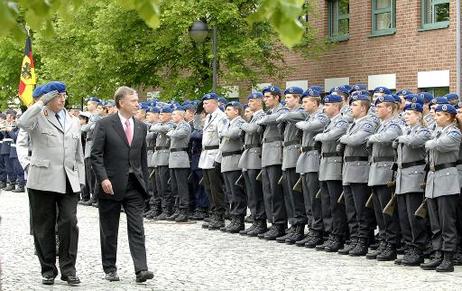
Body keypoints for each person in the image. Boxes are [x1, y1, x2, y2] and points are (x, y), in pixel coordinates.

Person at [17, 81, 84, 286]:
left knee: (69, 223)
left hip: (68, 180)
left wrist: (80, 180)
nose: (62, 99)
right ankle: (48, 269)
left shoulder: (73, 121)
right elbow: (22, 123)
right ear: (47, 98)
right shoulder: (37, 116)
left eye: (64, 95)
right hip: (42, 180)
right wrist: (40, 103)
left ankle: (68, 269)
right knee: (43, 226)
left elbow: (78, 154)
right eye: (57, 96)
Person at [91, 86, 154, 283]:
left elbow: (142, 159)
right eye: (134, 101)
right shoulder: (104, 124)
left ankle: (141, 269)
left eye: (137, 100)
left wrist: (146, 184)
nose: (138, 104)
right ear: (121, 103)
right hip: (110, 184)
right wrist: (103, 179)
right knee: (109, 229)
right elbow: (96, 155)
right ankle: (110, 267)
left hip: (134, 185)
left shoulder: (141, 127)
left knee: (137, 227)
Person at [420, 104, 461, 272]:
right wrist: (431, 141)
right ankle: (438, 254)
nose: (435, 117)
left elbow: (438, 144)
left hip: (446, 179)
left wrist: (430, 142)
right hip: (433, 178)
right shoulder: (437, 131)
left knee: (447, 222)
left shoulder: (454, 132)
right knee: (435, 223)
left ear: (449, 117)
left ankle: (448, 257)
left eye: (439, 115)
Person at [393, 102, 430, 266]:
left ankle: (418, 248)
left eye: (409, 114)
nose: (405, 117)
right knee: (404, 216)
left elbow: (415, 142)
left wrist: (401, 137)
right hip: (402, 176)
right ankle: (409, 246)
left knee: (414, 216)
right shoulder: (406, 131)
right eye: (405, 114)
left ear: (419, 115)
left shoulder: (423, 131)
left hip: (415, 175)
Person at [257, 86, 289, 240]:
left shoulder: (282, 110)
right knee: (268, 191)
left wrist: (260, 119)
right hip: (267, 154)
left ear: (277, 97)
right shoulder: (268, 112)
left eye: (268, 97)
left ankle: (280, 224)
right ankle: (273, 222)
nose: (265, 100)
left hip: (276, 154)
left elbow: (270, 120)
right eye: (264, 97)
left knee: (276, 192)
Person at [238, 92, 267, 236]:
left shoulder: (260, 116)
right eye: (249, 100)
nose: (250, 103)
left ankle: (260, 221)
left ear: (259, 102)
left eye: (253, 101)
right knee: (251, 192)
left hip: (255, 154)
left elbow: (253, 129)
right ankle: (256, 219)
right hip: (248, 154)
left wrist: (241, 123)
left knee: (256, 191)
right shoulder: (252, 117)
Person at [199, 93, 227, 230]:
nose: (204, 106)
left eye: (207, 103)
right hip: (206, 155)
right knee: (208, 187)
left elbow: (223, 138)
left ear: (215, 103)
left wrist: (219, 157)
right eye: (203, 104)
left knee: (216, 189)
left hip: (214, 154)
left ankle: (219, 216)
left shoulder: (220, 117)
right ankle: (213, 212)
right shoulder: (209, 117)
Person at [219, 101, 246, 233]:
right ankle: (234, 218)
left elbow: (232, 134)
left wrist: (223, 131)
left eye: (229, 109)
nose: (226, 112)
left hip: (235, 160)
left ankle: (239, 220)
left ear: (236, 111)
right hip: (226, 160)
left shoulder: (239, 122)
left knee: (236, 192)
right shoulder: (227, 124)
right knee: (230, 192)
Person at [166, 106, 192, 222]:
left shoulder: (184, 125)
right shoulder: (175, 126)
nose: (172, 117)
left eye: (175, 115)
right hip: (173, 158)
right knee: (174, 186)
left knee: (182, 186)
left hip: (180, 156)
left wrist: (171, 132)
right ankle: (177, 209)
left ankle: (184, 210)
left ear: (181, 116)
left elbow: (179, 134)